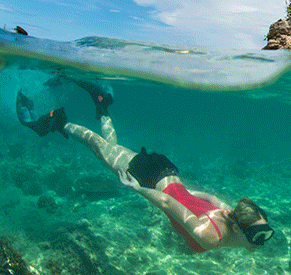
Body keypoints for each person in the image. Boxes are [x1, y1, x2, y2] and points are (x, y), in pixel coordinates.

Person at [16, 78, 274, 253]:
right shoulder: (212, 236)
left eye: (264, 233)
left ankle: (102, 104)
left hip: (167, 173)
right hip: (152, 178)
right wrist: (137, 188)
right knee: (99, 148)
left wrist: (185, 193)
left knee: (110, 150)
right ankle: (58, 121)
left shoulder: (229, 213)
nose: (263, 241)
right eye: (260, 234)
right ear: (238, 228)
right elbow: (166, 203)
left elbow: (210, 198)